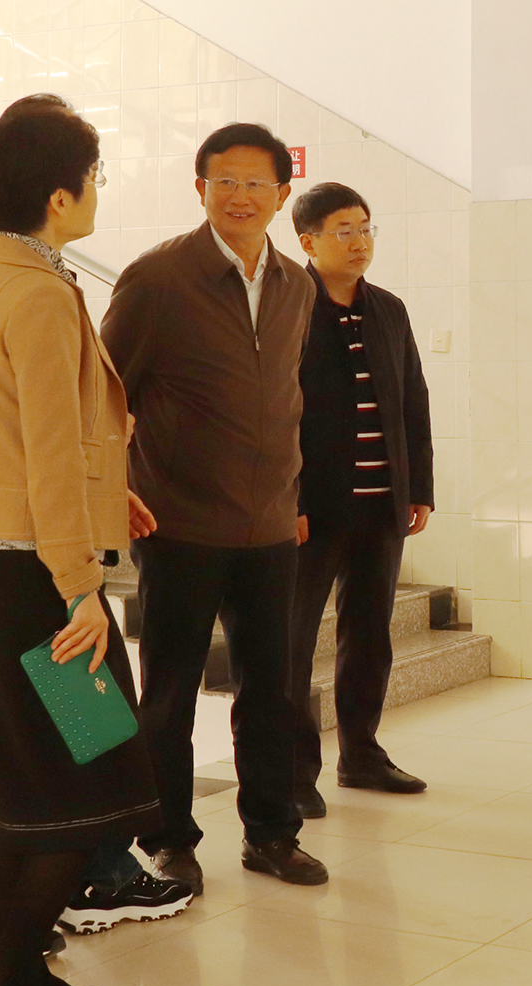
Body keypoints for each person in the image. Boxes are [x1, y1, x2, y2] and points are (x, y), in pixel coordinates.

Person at [0, 94, 189, 962]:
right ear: (60, 195)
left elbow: (15, 438)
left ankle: (17, 966)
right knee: (88, 771)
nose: (98, 190)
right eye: (93, 177)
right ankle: (11, 966)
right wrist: (81, 587)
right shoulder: (34, 294)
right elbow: (45, 453)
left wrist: (107, 503)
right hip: (35, 573)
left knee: (49, 767)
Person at [103, 122, 327, 888]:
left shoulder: (298, 286)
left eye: (256, 183)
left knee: (272, 691)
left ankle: (271, 833)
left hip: (270, 528)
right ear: (199, 188)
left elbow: (289, 400)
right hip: (179, 524)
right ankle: (168, 838)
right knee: (170, 694)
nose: (239, 196)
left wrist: (296, 495)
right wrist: (112, 485)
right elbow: (106, 395)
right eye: (224, 181)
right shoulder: (157, 279)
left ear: (282, 194)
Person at [284, 182, 435, 817]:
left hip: (382, 504)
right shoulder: (290, 306)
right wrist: (286, 497)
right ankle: (293, 773)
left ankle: (362, 754)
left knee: (370, 635)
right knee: (291, 645)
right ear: (308, 241)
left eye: (365, 228)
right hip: (311, 509)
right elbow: (278, 411)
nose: (358, 241)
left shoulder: (388, 309)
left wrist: (419, 487)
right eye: (343, 230)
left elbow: (412, 400)